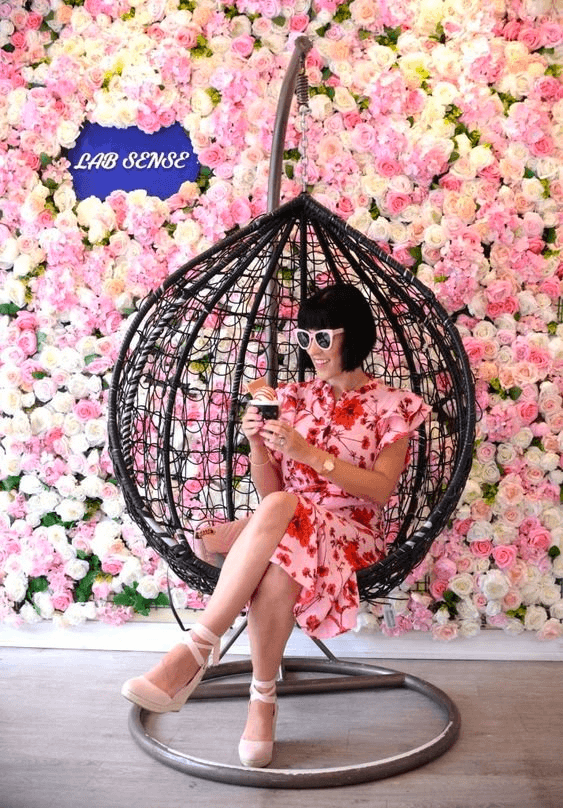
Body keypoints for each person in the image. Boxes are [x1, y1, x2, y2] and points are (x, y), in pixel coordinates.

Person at [121, 283, 430, 768]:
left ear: (355, 336)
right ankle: (261, 702)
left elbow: (381, 491)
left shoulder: (396, 406)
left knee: (284, 518)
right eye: (304, 337)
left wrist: (308, 454)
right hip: (288, 527)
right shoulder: (290, 398)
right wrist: (260, 447)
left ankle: (197, 649)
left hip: (354, 536)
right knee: (283, 545)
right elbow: (271, 492)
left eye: (323, 338)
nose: (311, 350)